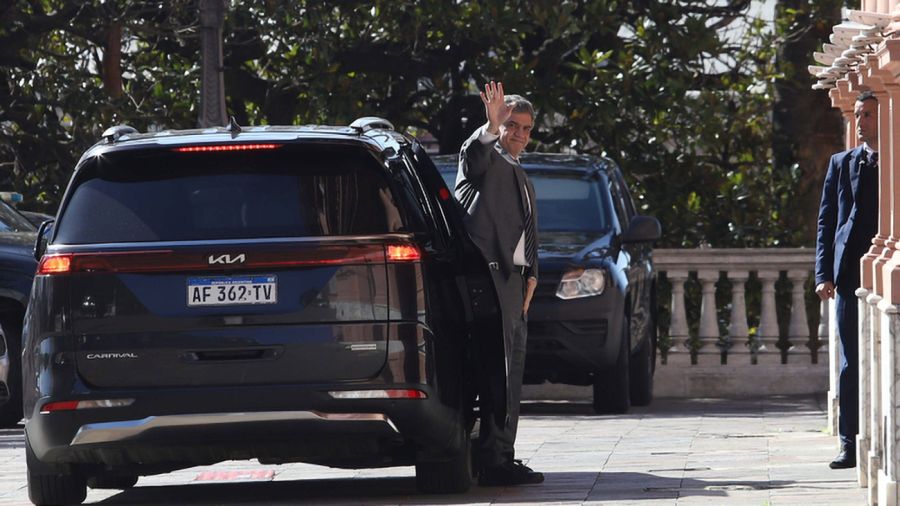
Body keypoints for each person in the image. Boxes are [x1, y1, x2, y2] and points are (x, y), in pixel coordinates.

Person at [455, 81, 543, 486]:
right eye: (513, 126)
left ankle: (501, 455)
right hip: (490, 281)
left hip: (515, 286)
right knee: (497, 373)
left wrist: (532, 275)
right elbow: (472, 158)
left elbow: (524, 232)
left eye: (526, 128)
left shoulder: (516, 168)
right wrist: (490, 126)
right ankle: (493, 460)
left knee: (510, 373)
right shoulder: (487, 156)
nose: (520, 134)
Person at [815, 90, 880, 470]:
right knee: (850, 363)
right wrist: (823, 274)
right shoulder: (841, 163)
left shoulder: (893, 160)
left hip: (882, 270)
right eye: (859, 115)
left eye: (869, 115)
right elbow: (826, 223)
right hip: (848, 274)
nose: (862, 121)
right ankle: (848, 443)